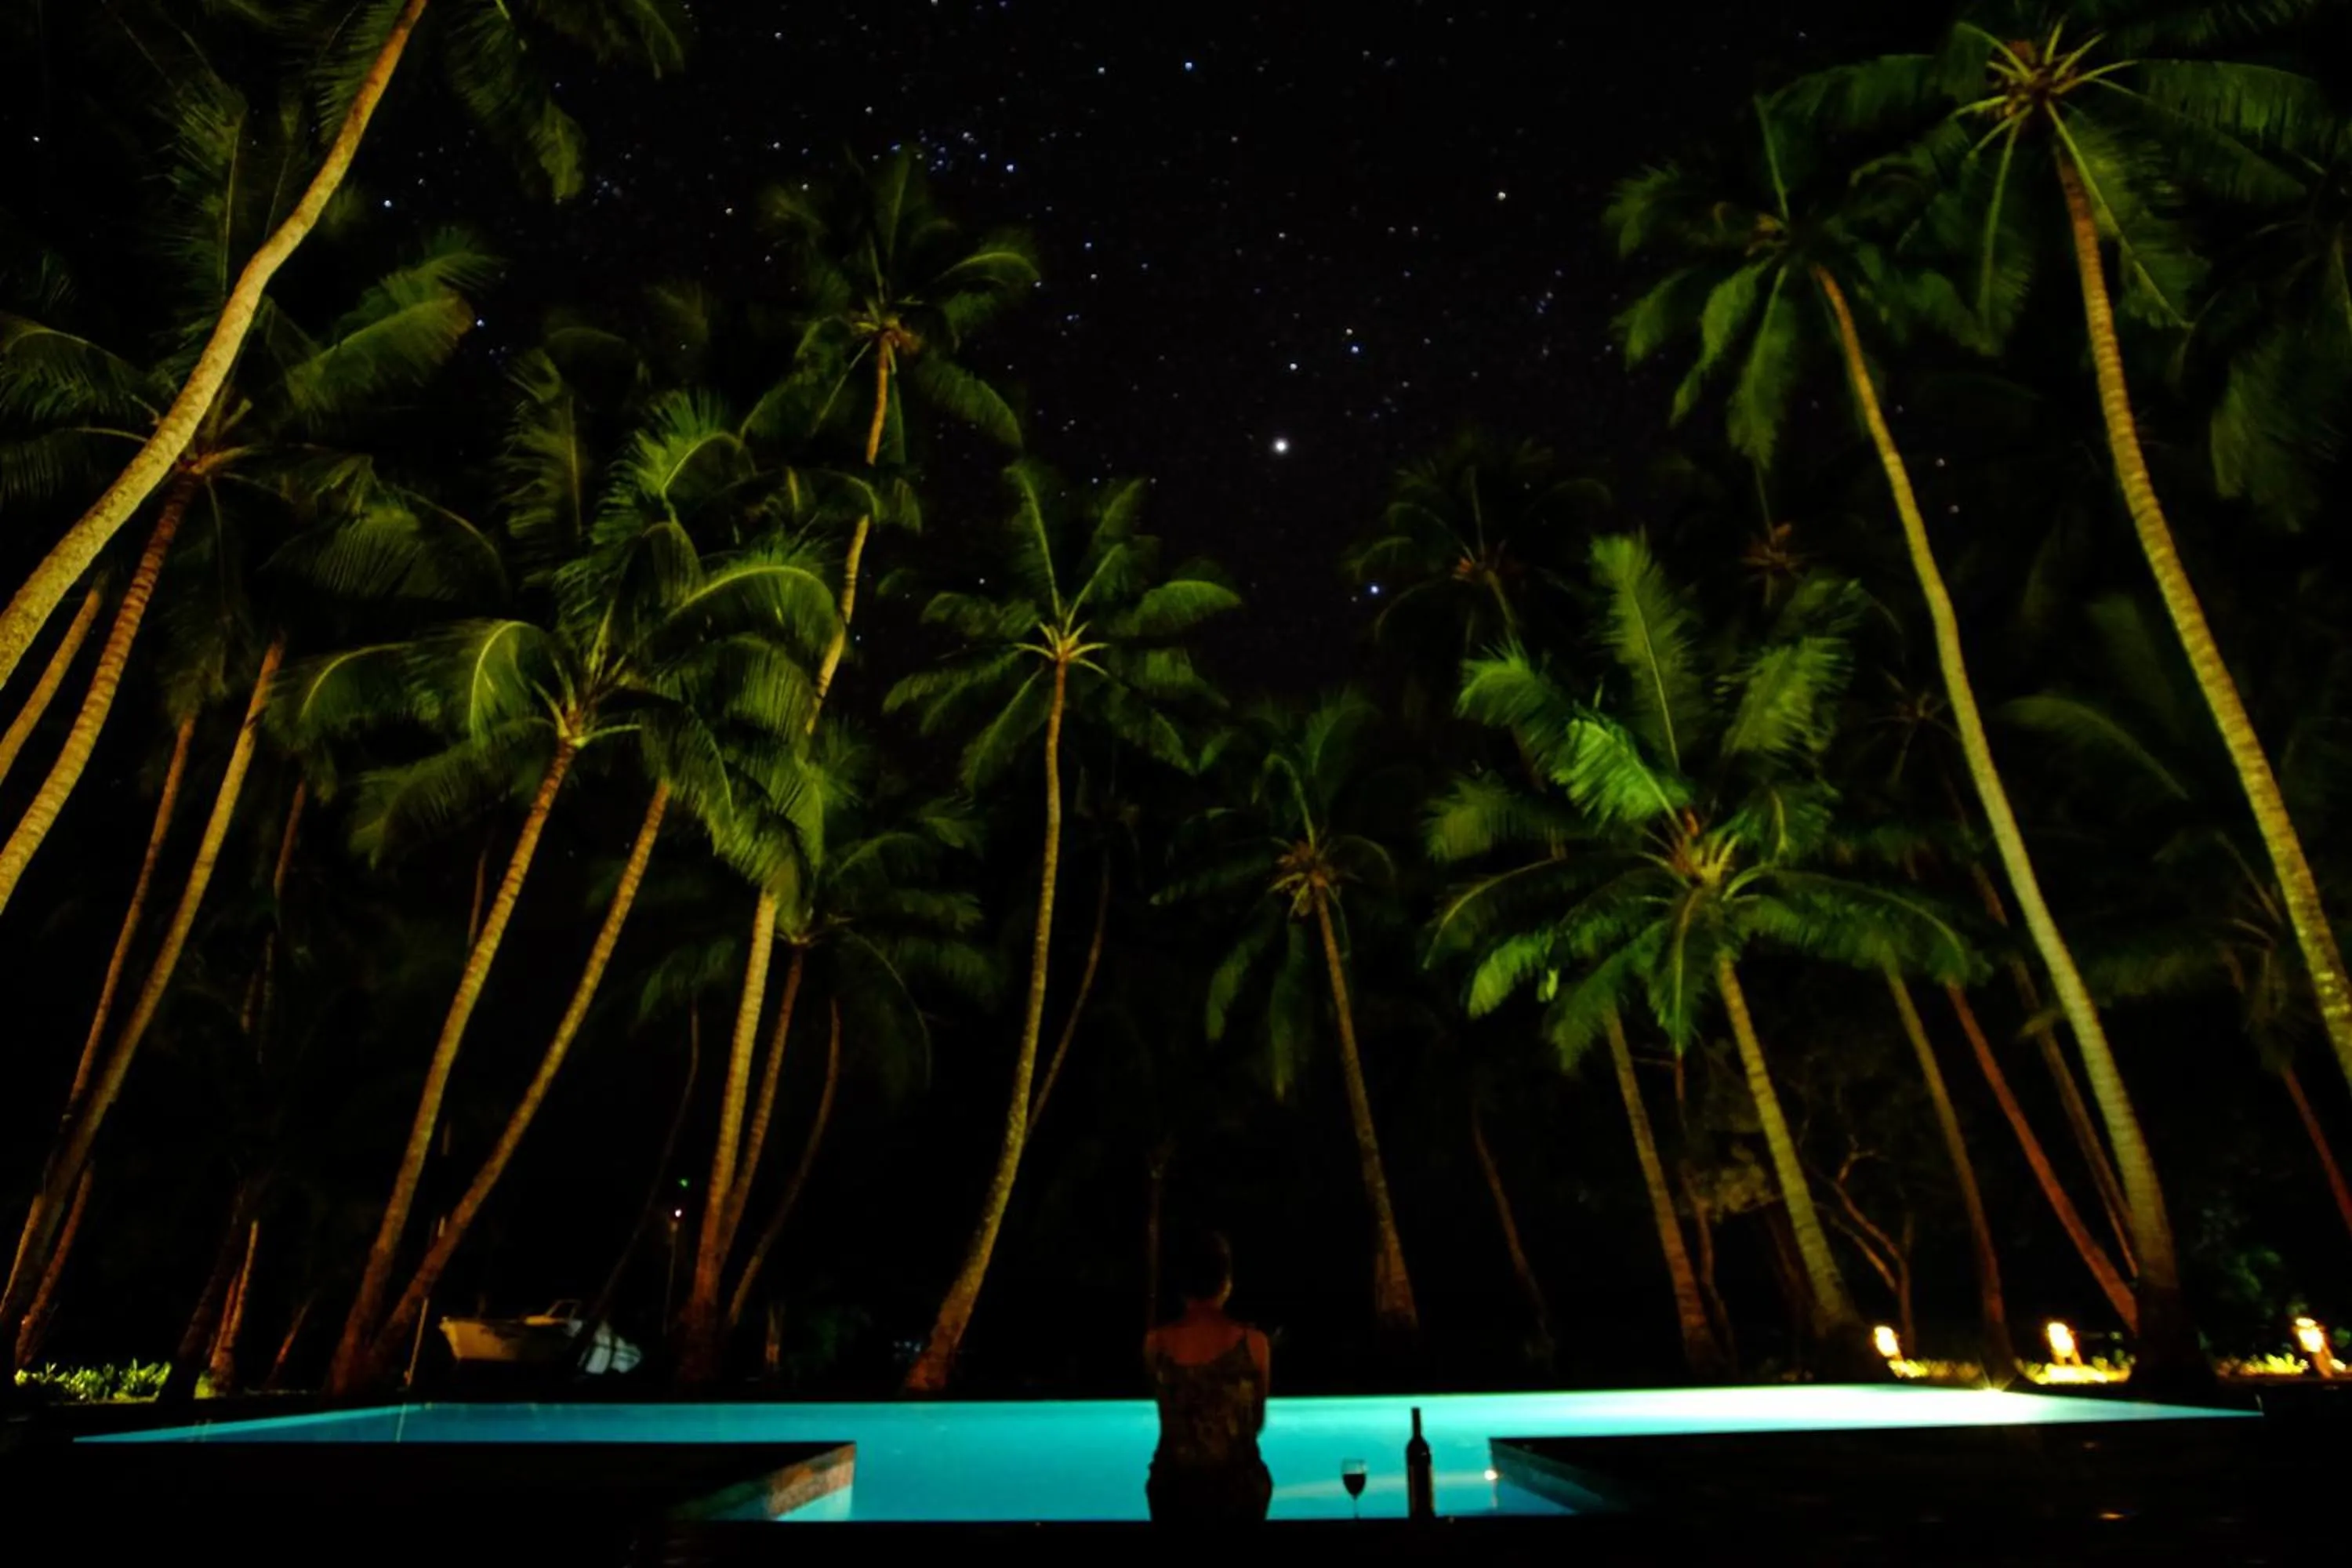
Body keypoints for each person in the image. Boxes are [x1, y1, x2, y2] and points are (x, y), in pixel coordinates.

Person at [1144, 1229, 1273, 1523]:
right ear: (1225, 1283)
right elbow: (1255, 1421)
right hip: (1238, 1490)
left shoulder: (1156, 1343)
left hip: (1174, 1490)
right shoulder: (1253, 1344)